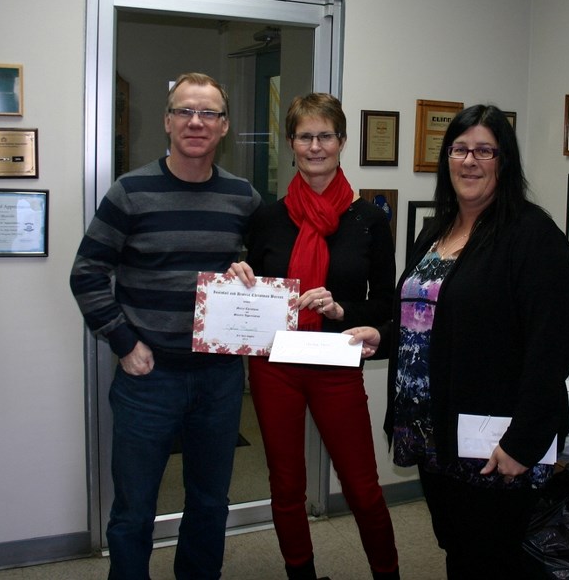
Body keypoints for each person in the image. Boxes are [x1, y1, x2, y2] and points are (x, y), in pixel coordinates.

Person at [345, 104, 569, 578]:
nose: (469, 161)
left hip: (492, 440)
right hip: (433, 433)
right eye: (459, 149)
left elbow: (551, 349)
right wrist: (383, 336)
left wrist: (523, 442)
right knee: (457, 547)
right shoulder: (438, 229)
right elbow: (430, 317)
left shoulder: (532, 235)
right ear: (446, 158)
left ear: (504, 161)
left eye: (484, 151)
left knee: (493, 557)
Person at [70, 72, 261, 580]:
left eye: (209, 113)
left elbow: (265, 276)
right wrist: (124, 342)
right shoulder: (131, 192)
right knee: (133, 510)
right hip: (146, 378)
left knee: (209, 502)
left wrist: (248, 277)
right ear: (167, 122)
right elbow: (87, 272)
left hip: (219, 379)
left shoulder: (244, 198)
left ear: (224, 127)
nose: (196, 122)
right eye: (185, 111)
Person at [229, 93, 400, 580]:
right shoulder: (268, 217)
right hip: (275, 366)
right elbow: (254, 298)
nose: (316, 145)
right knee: (285, 484)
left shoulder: (369, 219)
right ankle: (300, 573)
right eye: (306, 136)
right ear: (291, 144)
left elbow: (386, 304)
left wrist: (342, 308)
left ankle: (388, 573)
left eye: (326, 135)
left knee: (362, 486)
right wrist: (238, 276)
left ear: (342, 142)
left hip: (335, 359)